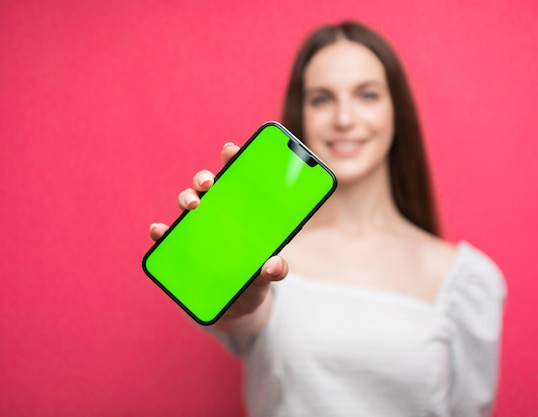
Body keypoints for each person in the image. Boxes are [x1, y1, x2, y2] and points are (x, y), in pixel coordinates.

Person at [149, 21, 506, 417]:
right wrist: (235, 287)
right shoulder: (268, 259)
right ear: (301, 115)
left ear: (396, 111)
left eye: (367, 95)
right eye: (321, 99)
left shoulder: (468, 279)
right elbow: (242, 318)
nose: (344, 118)